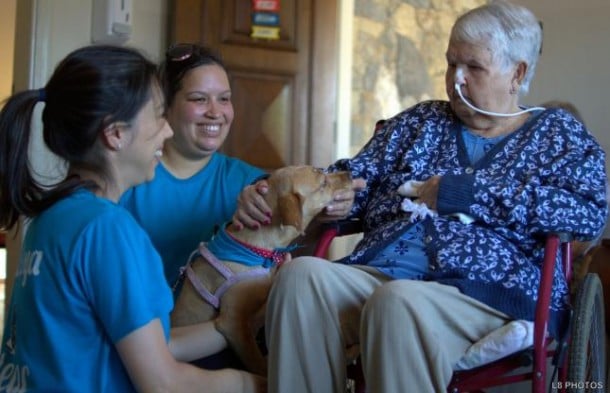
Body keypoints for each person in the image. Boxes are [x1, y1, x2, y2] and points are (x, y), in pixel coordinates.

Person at [233, 2, 608, 392]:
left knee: (397, 302)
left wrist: (467, 193)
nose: (456, 80)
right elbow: (350, 176)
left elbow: (586, 213)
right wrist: (317, 196)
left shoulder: (557, 135)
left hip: (485, 290)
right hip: (382, 272)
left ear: (518, 73)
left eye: (474, 68)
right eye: (451, 64)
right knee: (300, 276)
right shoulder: (421, 121)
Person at [0, 45, 264, 392]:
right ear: (116, 134)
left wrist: (226, 326)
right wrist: (261, 384)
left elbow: (153, 343)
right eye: (158, 115)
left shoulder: (52, 217)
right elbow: (163, 383)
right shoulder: (109, 230)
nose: (167, 132)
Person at [120, 44, 266, 288]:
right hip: (138, 324)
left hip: (214, 324)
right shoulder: (128, 179)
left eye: (224, 99)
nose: (215, 112)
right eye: (199, 99)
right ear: (165, 106)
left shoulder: (251, 184)